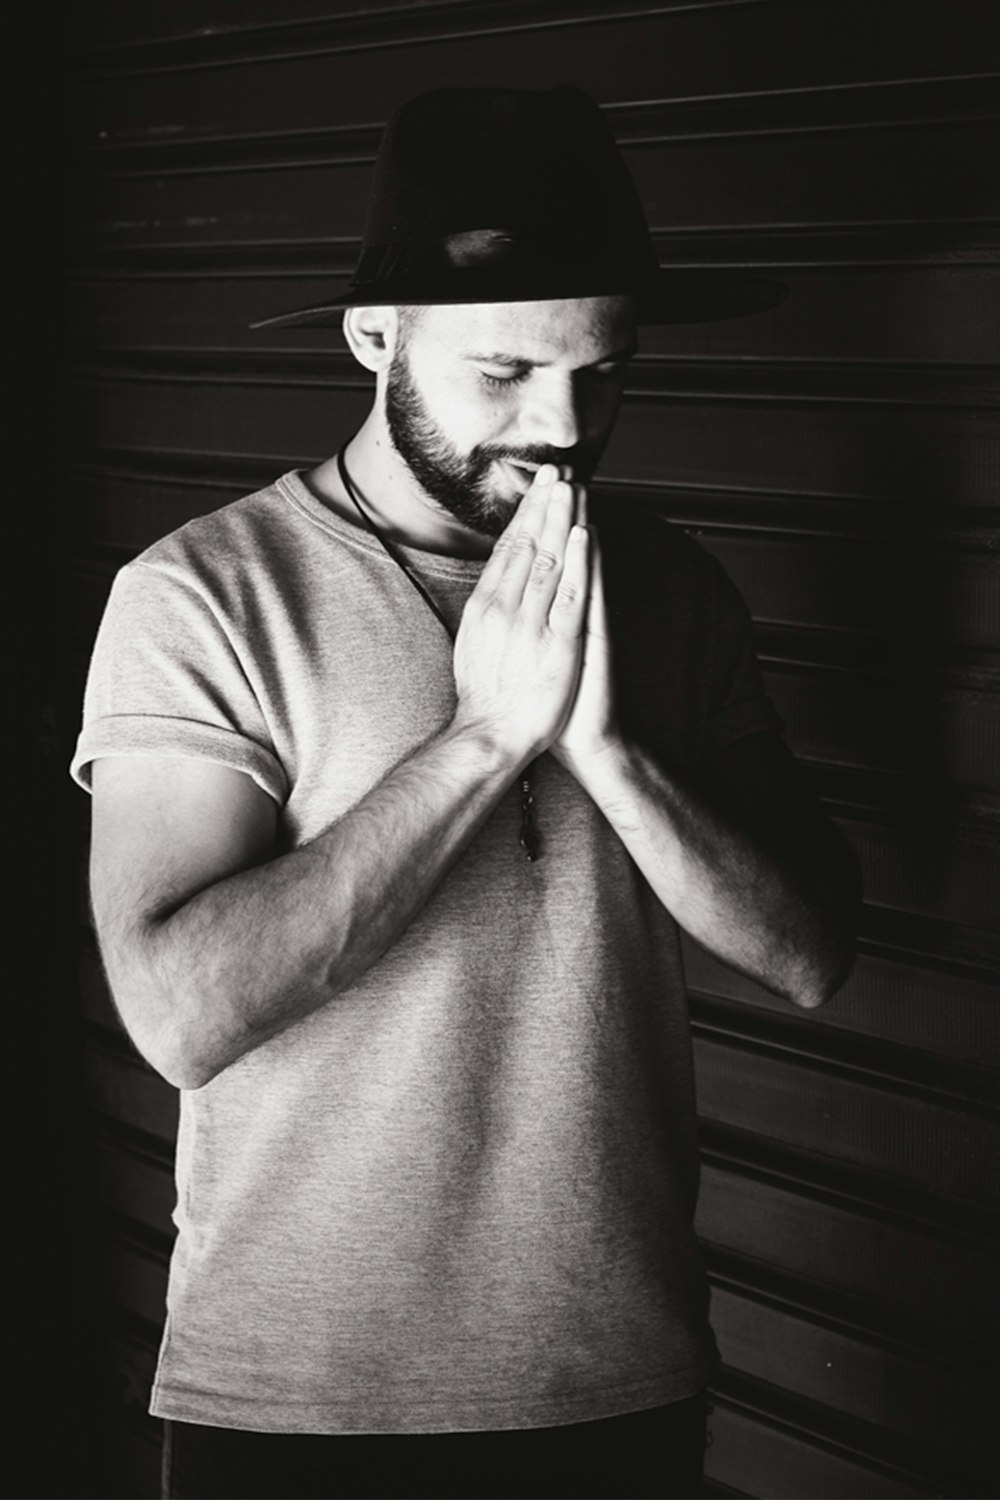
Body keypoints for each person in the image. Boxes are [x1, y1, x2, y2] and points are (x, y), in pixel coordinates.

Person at [72, 87, 861, 1500]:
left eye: (601, 373)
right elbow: (180, 1017)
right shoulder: (205, 595)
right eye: (504, 370)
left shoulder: (672, 589)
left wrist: (609, 748)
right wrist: (483, 740)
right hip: (299, 1405)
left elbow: (809, 955)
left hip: (618, 1381)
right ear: (375, 338)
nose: (561, 424)